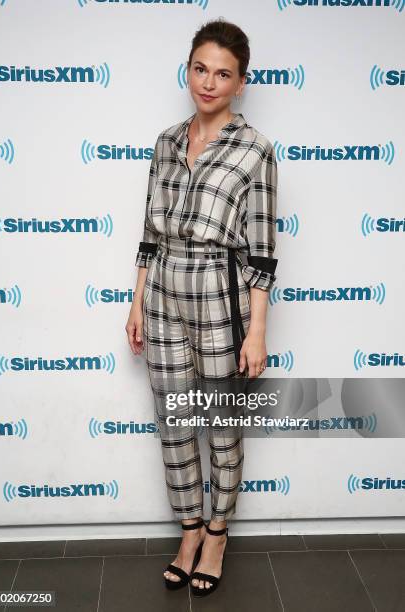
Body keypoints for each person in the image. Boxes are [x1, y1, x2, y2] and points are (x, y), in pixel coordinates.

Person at [126, 18, 278, 597]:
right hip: (162, 289)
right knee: (174, 422)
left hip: (220, 293)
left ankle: (218, 533)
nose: (208, 82)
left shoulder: (255, 150)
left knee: (220, 426)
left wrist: (256, 330)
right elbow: (147, 232)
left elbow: (262, 251)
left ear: (242, 82)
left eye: (223, 74)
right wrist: (137, 301)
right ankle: (188, 528)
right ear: (187, 67)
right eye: (200, 68)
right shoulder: (166, 141)